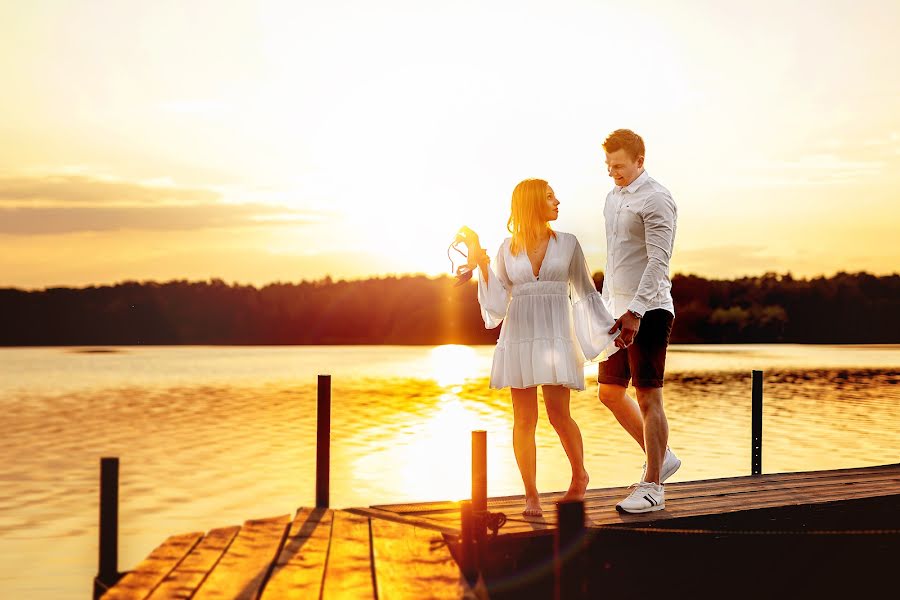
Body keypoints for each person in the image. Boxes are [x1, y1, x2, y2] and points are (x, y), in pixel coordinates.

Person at [457, 178, 618, 518]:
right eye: (549, 197)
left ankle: (580, 475)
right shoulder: (506, 249)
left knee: (560, 415)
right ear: (532, 204)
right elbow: (498, 304)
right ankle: (531, 496)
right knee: (524, 419)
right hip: (519, 336)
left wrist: (607, 329)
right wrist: (482, 264)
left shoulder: (569, 244)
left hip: (557, 335)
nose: (558, 201)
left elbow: (586, 292)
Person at [597, 129, 681, 514]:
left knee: (649, 397)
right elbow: (616, 263)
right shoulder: (612, 199)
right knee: (609, 393)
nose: (613, 173)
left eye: (619, 166)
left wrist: (635, 312)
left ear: (639, 161)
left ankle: (653, 487)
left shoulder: (657, 199)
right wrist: (605, 310)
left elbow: (658, 262)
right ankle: (660, 458)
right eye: (608, 166)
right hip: (615, 311)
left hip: (648, 310)